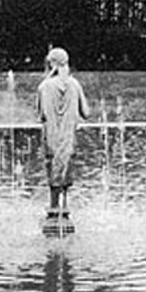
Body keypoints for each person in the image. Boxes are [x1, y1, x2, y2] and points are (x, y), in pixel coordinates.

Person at [36, 46, 90, 222]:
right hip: (68, 137)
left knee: (52, 165)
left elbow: (41, 115)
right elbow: (86, 113)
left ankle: (53, 209)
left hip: (51, 137)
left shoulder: (44, 86)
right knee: (66, 165)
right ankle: (64, 208)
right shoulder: (75, 85)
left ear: (51, 65)